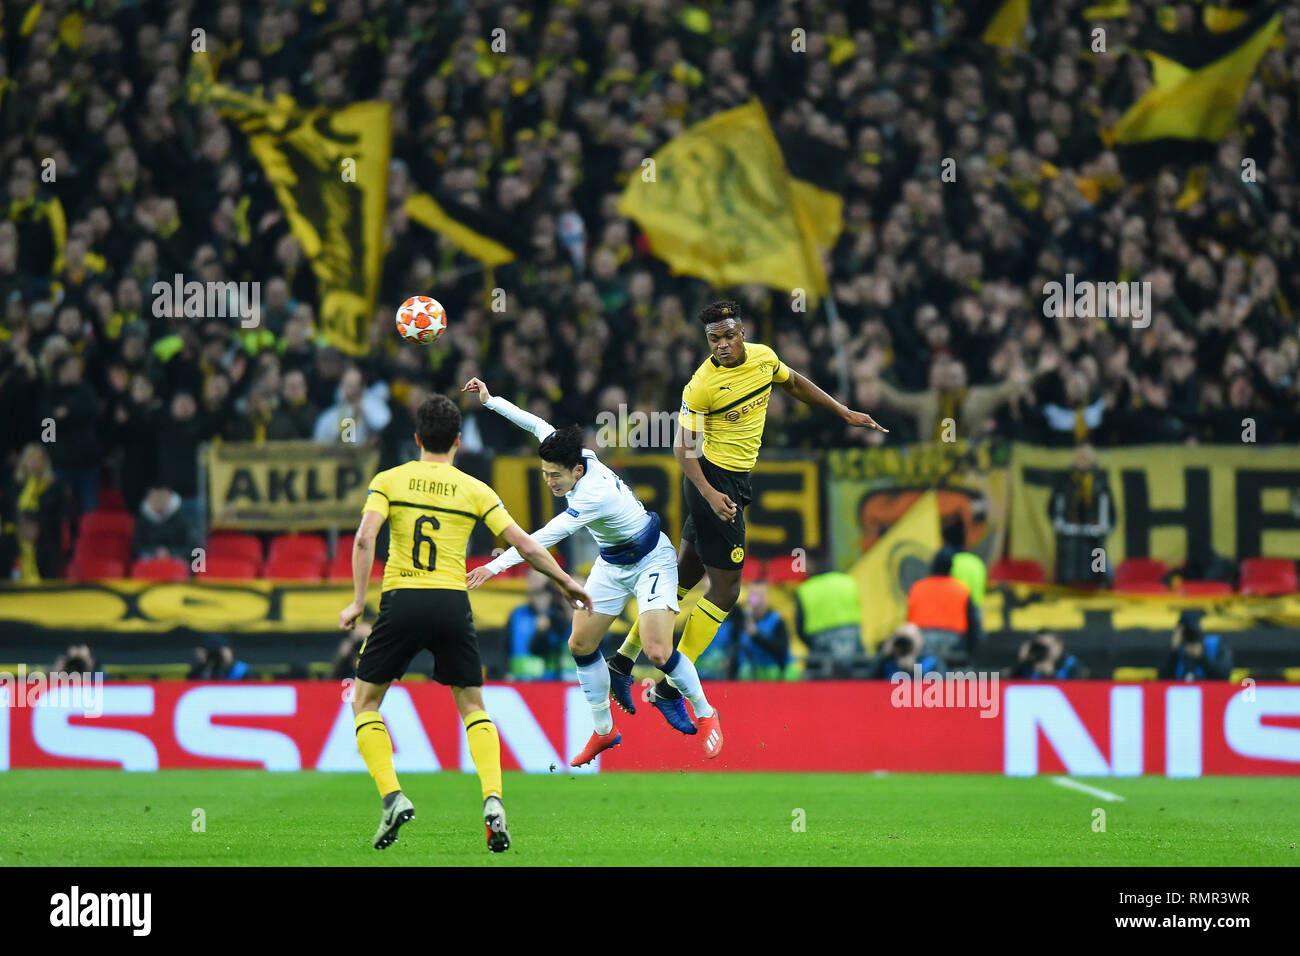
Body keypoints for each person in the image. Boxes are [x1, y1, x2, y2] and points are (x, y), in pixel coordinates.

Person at [608, 300, 887, 728]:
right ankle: (670, 687)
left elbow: (794, 383)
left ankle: (622, 661)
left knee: (683, 576)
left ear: (742, 332)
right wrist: (711, 494)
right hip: (713, 481)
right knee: (725, 592)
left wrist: (843, 411)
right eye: (713, 338)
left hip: (729, 483)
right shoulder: (700, 386)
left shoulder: (763, 358)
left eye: (728, 334)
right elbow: (682, 449)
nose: (721, 344)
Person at [337, 394, 592, 853]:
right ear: (458, 441)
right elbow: (527, 546)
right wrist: (566, 582)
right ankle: (493, 800)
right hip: (453, 603)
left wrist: (358, 602)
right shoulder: (475, 489)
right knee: (473, 706)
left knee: (365, 702)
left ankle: (392, 796)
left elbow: (363, 537)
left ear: (417, 439)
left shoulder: (389, 480)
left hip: (402, 600)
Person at [462, 376, 722, 763]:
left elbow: (539, 541)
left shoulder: (591, 498)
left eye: (556, 476)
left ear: (577, 473)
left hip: (652, 559)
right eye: (545, 473)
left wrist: (494, 566)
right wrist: (490, 400)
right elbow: (535, 424)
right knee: (580, 645)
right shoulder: (571, 455)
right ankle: (605, 732)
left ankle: (706, 714)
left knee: (657, 650)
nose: (550, 481)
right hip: (613, 563)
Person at [1049, 444, 1114, 587]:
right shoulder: (1065, 480)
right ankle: (1066, 588)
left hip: (1096, 537)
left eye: (1086, 456)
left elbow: (1110, 510)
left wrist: (1104, 527)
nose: (1083, 460)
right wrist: (1060, 523)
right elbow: (1054, 506)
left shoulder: (1101, 481)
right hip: (1069, 534)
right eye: (1080, 456)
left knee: (1098, 564)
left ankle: (1100, 585)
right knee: (1068, 566)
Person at [905, 549, 984, 664]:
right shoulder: (961, 589)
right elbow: (974, 625)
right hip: (953, 641)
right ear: (951, 568)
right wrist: (973, 653)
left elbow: (909, 623)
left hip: (922, 640)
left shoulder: (917, 587)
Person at [706, 583, 790, 679]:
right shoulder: (743, 619)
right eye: (753, 595)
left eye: (760, 596)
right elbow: (736, 645)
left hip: (777, 677)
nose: (757, 601)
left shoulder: (776, 621)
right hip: (751, 678)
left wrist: (756, 635)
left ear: (766, 599)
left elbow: (781, 650)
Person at [506, 571, 572, 679]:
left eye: (540, 592)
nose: (534, 583)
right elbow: (506, 647)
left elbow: (545, 648)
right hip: (520, 683)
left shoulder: (559, 616)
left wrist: (542, 631)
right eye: (531, 579)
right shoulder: (517, 614)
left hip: (550, 684)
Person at [132, 484, 199, 561]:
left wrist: (169, 552)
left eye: (162, 498)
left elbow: (192, 547)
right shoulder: (142, 519)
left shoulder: (182, 518)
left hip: (177, 559)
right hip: (150, 559)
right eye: (155, 498)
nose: (159, 501)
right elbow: (137, 548)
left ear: (169, 498)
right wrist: (155, 552)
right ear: (148, 499)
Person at [1158, 612, 1233, 681]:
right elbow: (1161, 679)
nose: (1190, 636)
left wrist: (1202, 657)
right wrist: (1173, 651)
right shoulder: (1176, 648)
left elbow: (1224, 677)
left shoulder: (1215, 644)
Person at [871, 624, 943, 680]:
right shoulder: (888, 661)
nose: (905, 644)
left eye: (910, 639)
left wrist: (913, 670)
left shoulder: (931, 661)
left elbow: (939, 690)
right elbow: (870, 683)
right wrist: (883, 656)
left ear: (920, 641)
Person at [1010, 630, 1084, 679]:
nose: (1043, 651)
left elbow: (1074, 691)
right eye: (1040, 646)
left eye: (1047, 646)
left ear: (1059, 646)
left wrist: (1050, 673)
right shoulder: (1028, 665)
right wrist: (1022, 662)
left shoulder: (1070, 664)